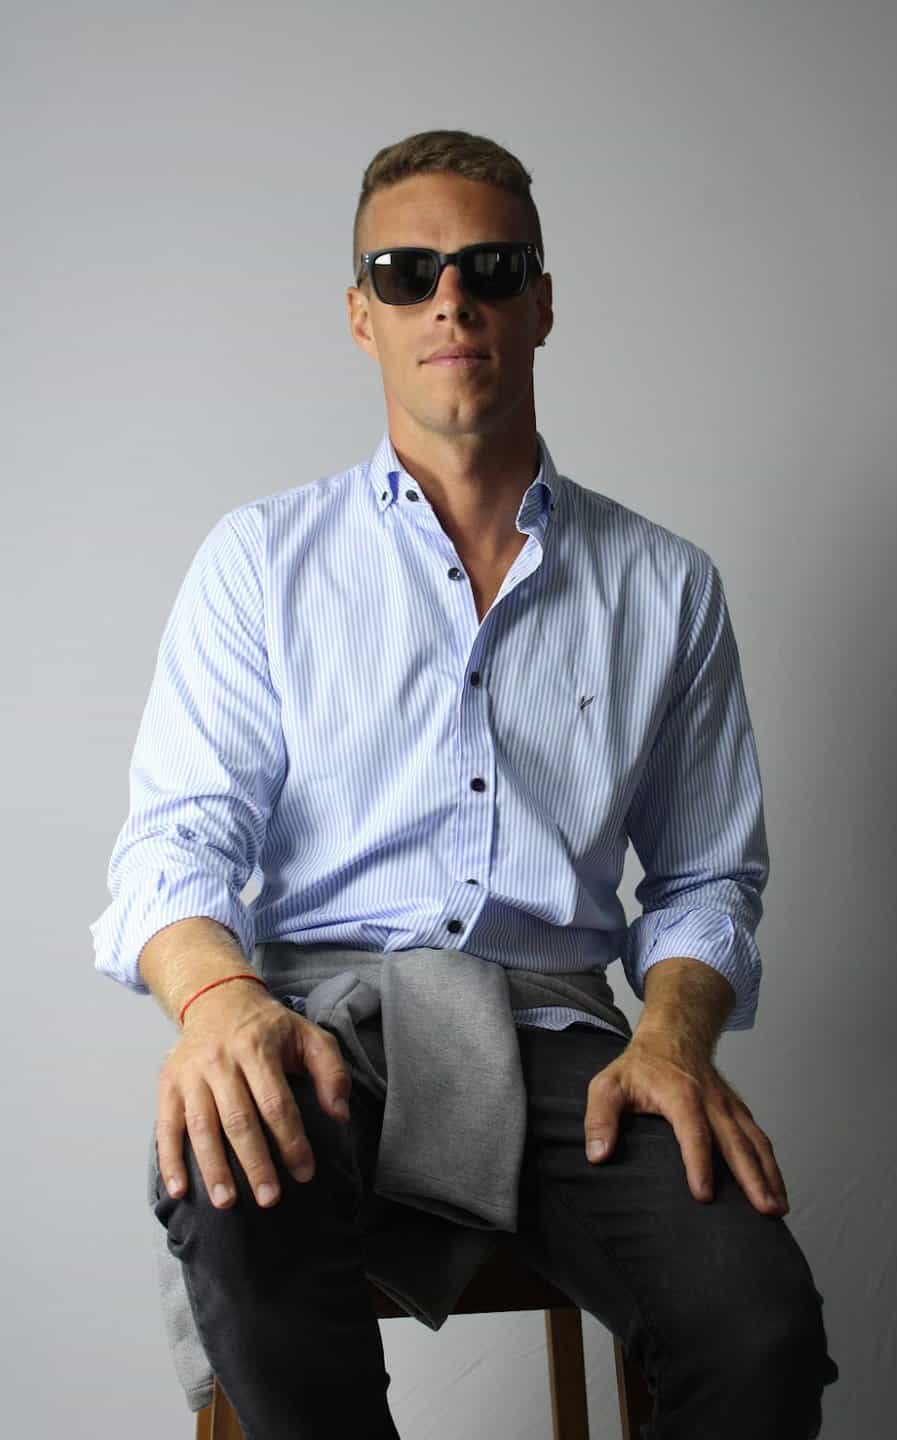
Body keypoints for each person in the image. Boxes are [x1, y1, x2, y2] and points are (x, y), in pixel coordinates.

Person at [90, 129, 840, 1438]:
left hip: (565, 1054)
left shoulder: (664, 587)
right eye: (406, 272)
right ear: (361, 314)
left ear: (539, 301)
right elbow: (176, 841)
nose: (451, 299)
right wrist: (218, 1003)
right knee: (231, 1180)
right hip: (321, 1032)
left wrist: (671, 1040)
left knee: (758, 1328)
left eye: (490, 268)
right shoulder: (260, 563)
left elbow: (706, 878)